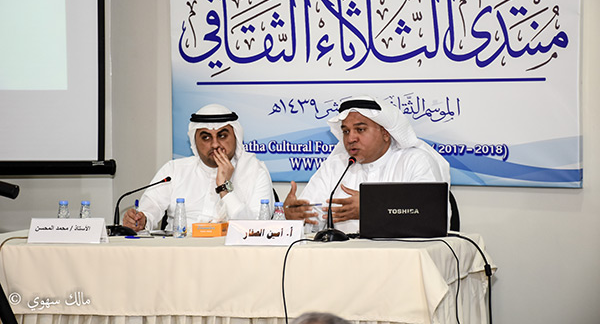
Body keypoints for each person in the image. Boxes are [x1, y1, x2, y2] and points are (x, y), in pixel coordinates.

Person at [284, 95, 450, 234]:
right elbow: (314, 222)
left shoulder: (415, 162)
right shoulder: (335, 166)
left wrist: (373, 209)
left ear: (385, 133)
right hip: (341, 257)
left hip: (399, 257)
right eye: (346, 131)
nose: (351, 138)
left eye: (360, 129)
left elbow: (430, 220)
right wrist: (296, 218)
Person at [123, 104, 274, 232]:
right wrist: (141, 220)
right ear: (194, 142)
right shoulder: (174, 170)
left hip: (231, 254)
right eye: (206, 137)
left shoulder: (255, 172)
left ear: (236, 137)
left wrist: (224, 188)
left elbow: (257, 230)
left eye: (222, 136)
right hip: (178, 252)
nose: (215, 144)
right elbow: (149, 209)